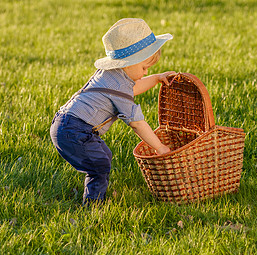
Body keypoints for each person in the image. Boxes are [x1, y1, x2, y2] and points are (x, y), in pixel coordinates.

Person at [50, 18, 174, 206]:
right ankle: (93, 205)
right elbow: (137, 123)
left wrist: (156, 79)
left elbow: (132, 88)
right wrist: (160, 147)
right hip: (75, 130)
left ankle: (94, 194)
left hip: (66, 124)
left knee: (103, 155)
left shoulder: (111, 75)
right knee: (99, 164)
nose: (144, 73)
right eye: (144, 68)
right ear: (128, 63)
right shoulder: (119, 85)